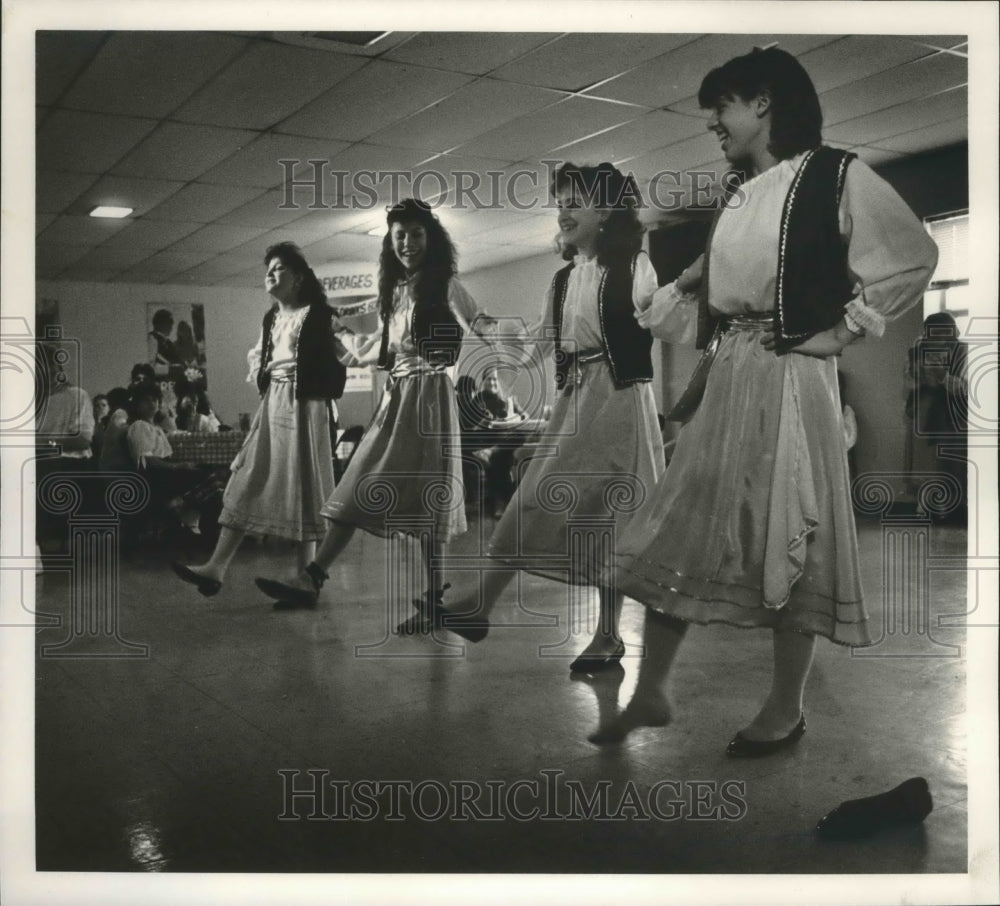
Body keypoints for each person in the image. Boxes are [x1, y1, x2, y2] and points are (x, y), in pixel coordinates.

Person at [587, 47, 938, 748]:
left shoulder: (836, 174)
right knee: (678, 520)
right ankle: (652, 690)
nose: (712, 121)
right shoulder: (741, 193)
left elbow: (909, 257)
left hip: (790, 375)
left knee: (791, 528)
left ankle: (785, 707)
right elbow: (721, 279)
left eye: (721, 105)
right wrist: (689, 281)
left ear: (764, 102)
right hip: (732, 373)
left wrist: (838, 335)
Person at [405, 163, 666, 673]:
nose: (564, 211)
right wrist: (489, 334)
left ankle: (608, 635)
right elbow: (538, 344)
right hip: (575, 401)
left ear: (607, 211)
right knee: (531, 498)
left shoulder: (636, 267)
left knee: (611, 519)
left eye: (576, 202)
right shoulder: (564, 279)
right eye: (561, 202)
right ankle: (481, 603)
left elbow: (659, 316)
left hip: (619, 403)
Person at [253, 199, 496, 612]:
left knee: (428, 494)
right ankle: (314, 576)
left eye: (416, 234)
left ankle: (433, 591)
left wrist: (516, 349)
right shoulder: (396, 291)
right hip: (397, 396)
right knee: (359, 483)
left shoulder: (446, 285)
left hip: (431, 396)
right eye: (399, 236)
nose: (407, 243)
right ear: (390, 241)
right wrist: (339, 337)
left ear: (430, 239)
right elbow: (378, 349)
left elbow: (481, 323)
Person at [172, 242, 348, 599]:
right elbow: (261, 359)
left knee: (305, 485)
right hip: (275, 402)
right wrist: (268, 386)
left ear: (298, 277)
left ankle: (304, 579)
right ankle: (216, 566)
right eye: (268, 268)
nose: (270, 273)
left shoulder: (320, 316)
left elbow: (343, 356)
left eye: (279, 267)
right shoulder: (271, 319)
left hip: (307, 404)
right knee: (248, 475)